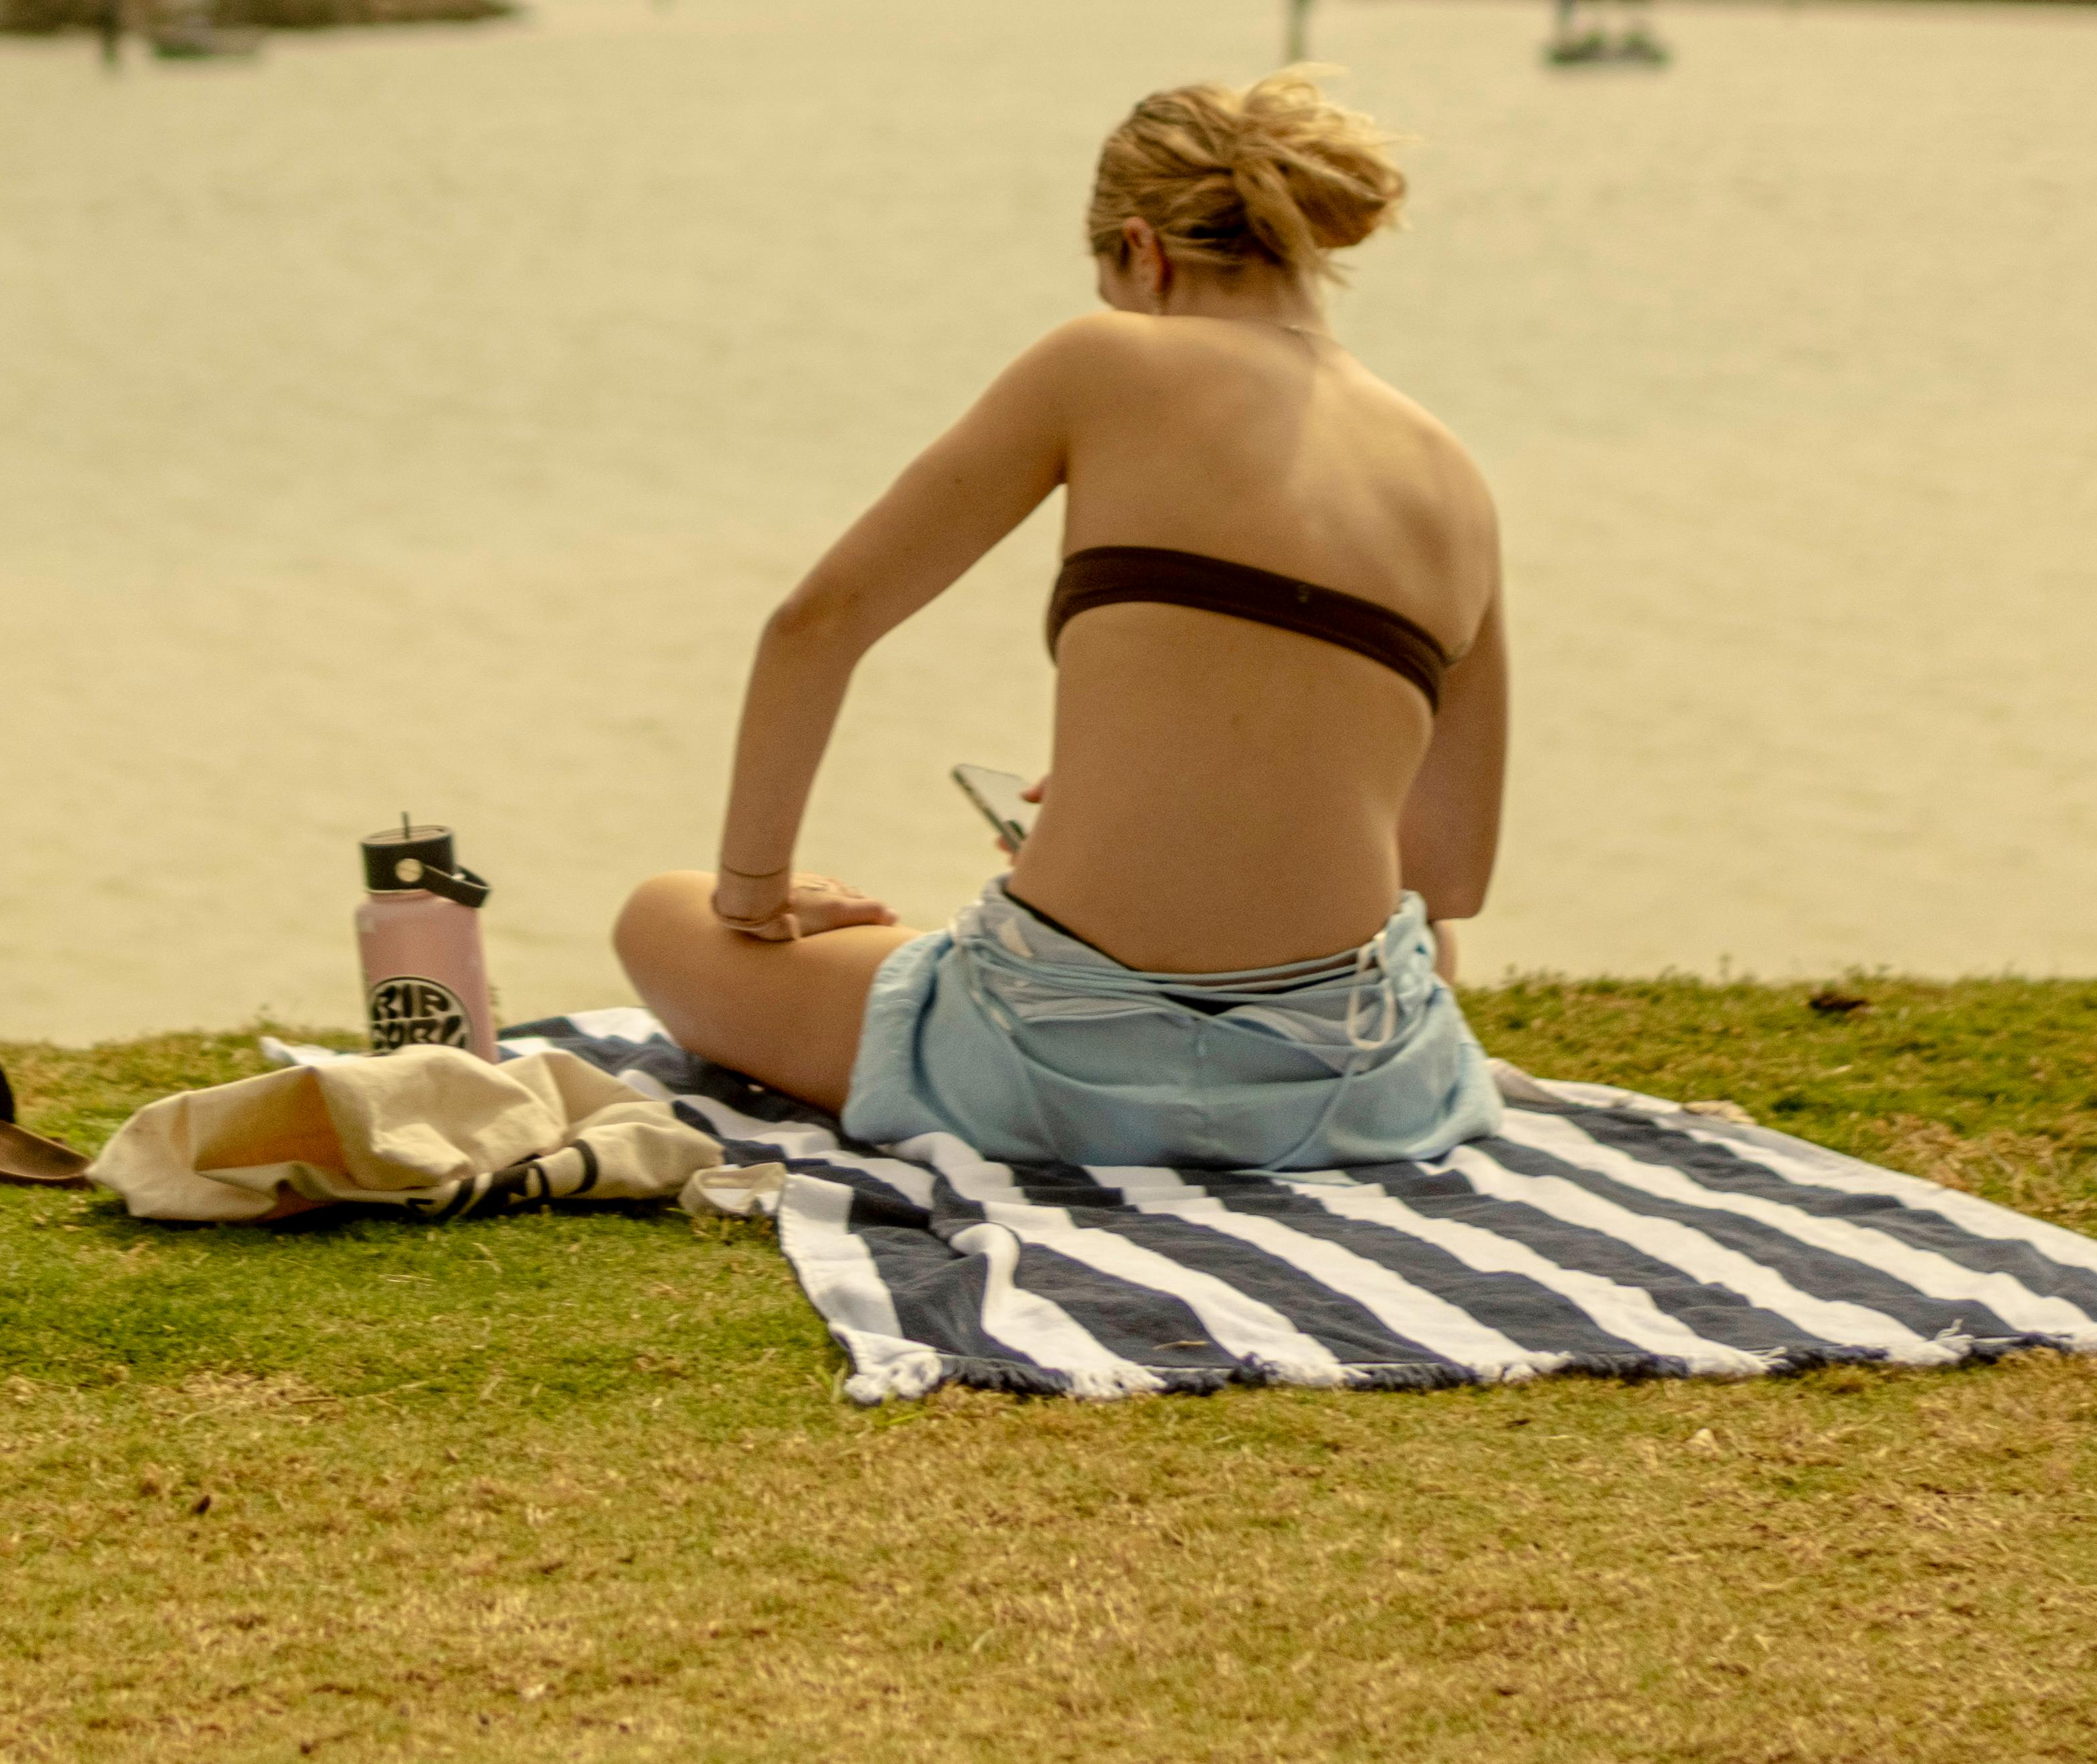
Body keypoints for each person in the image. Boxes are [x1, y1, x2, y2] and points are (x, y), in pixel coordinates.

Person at [612, 73, 1507, 1170]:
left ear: (1143, 250)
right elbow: (1447, 878)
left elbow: (820, 620)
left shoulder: (1103, 360)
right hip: (1352, 1090)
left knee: (660, 914)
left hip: (1051, 1069)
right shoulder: (1450, 473)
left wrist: (753, 898)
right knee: (1423, 943)